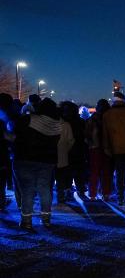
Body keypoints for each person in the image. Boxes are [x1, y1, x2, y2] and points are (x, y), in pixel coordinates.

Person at [11, 98, 67, 229]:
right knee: (45, 190)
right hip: (47, 161)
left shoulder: (28, 120)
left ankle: (26, 220)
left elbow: (15, 134)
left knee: (27, 190)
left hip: (25, 159)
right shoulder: (58, 124)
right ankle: (46, 219)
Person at [58, 101, 88, 200]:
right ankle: (80, 188)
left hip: (66, 151)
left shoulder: (62, 122)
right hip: (79, 150)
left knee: (66, 173)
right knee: (79, 172)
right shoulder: (81, 122)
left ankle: (67, 190)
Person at [85, 99, 112, 201]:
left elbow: (87, 134)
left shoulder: (91, 119)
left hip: (94, 148)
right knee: (106, 172)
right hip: (106, 148)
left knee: (94, 172)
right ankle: (106, 193)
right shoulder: (109, 118)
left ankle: (92, 194)